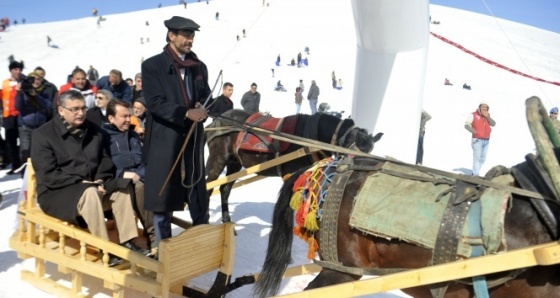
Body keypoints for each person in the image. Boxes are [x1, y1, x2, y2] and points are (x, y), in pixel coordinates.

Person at [30, 90, 152, 267]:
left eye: (83, 108)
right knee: (89, 193)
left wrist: (101, 180)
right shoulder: (43, 135)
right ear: (61, 110)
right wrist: (83, 184)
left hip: (93, 186)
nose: (81, 113)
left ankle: (128, 240)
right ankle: (104, 248)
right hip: (57, 193)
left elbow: (105, 160)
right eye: (75, 109)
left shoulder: (94, 130)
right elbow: (48, 174)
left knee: (121, 187)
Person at [141, 16, 212, 251]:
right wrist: (185, 113)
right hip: (165, 139)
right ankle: (164, 249)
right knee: (164, 194)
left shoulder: (198, 67)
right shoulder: (152, 66)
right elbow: (155, 103)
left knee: (196, 189)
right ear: (171, 35)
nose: (190, 39)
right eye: (185, 34)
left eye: (192, 35)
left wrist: (204, 107)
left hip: (192, 138)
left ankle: (201, 243)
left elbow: (205, 95)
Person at [102, 100, 154, 248]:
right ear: (111, 118)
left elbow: (145, 161)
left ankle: (156, 234)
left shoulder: (134, 136)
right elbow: (101, 166)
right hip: (117, 182)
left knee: (144, 185)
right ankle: (149, 235)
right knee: (138, 186)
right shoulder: (103, 138)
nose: (128, 120)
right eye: (123, 116)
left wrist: (140, 173)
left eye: (129, 116)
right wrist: (121, 174)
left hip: (138, 178)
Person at [16, 71, 53, 169]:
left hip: (41, 127)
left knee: (41, 150)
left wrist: (36, 95)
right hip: (26, 127)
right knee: (25, 151)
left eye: (38, 79)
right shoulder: (24, 91)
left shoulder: (43, 91)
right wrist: (19, 92)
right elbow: (18, 106)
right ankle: (25, 176)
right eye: (33, 79)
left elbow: (48, 106)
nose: (36, 81)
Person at [1, 60, 24, 174]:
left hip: (20, 115)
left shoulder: (23, 82)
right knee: (11, 143)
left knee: (24, 142)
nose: (18, 71)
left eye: (19, 69)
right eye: (15, 69)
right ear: (11, 70)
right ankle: (15, 165)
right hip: (8, 116)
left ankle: (24, 165)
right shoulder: (5, 83)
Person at [464, 101, 496, 176]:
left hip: (486, 140)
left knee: (483, 159)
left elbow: (493, 124)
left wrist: (487, 117)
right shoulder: (473, 115)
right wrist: (475, 132)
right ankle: (475, 175)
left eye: (486, 107)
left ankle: (475, 172)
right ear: (479, 107)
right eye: (483, 107)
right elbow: (466, 125)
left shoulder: (487, 116)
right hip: (477, 140)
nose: (485, 108)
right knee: (477, 158)